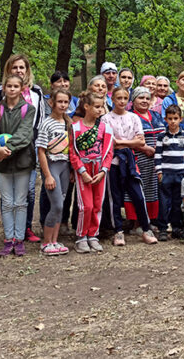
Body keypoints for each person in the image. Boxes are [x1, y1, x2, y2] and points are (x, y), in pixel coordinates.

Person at [0, 54, 47, 244]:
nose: (18, 71)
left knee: (29, 190)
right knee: (8, 192)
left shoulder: (36, 91)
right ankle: (10, 231)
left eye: (22, 67)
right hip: (6, 147)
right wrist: (1, 146)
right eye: (14, 67)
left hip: (30, 147)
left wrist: (38, 145)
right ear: (9, 70)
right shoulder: (0, 90)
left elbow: (40, 120)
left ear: (27, 70)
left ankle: (26, 228)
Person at [0, 74, 37, 257]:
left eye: (16, 86)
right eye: (9, 86)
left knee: (21, 202)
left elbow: (25, 134)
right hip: (2, 165)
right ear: (4, 88)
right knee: (7, 202)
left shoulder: (29, 109)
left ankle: (19, 239)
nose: (12, 89)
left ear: (22, 88)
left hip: (23, 162)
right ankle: (8, 239)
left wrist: (4, 150)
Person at [103, 88, 157, 246]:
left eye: (125, 98)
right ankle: (118, 231)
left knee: (138, 195)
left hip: (131, 162)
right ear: (112, 99)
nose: (121, 101)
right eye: (118, 98)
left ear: (128, 100)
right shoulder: (106, 118)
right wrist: (129, 142)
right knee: (115, 197)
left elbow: (141, 141)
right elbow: (109, 142)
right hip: (113, 162)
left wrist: (120, 142)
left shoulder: (133, 117)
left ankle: (146, 229)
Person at [69, 92, 114, 254]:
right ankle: (81, 236)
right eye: (97, 106)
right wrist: (81, 171)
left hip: (99, 170)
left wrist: (103, 170)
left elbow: (109, 151)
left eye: (102, 107)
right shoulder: (76, 127)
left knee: (97, 204)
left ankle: (93, 235)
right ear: (86, 107)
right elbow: (73, 152)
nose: (100, 110)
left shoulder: (105, 128)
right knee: (85, 206)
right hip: (84, 170)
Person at [36, 90, 74, 256]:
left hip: (65, 167)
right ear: (52, 103)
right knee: (56, 205)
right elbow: (41, 151)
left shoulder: (68, 123)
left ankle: (54, 240)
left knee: (61, 205)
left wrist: (71, 170)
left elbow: (71, 150)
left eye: (66, 102)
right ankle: (46, 242)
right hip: (52, 167)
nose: (63, 105)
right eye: (60, 102)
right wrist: (48, 175)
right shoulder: (46, 123)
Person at [155, 104, 184, 241]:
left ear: (180, 119)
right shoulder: (161, 136)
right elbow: (157, 155)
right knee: (164, 202)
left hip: (180, 174)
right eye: (170, 119)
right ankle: (163, 228)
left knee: (178, 202)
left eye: (175, 118)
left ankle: (177, 227)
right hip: (166, 174)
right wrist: (159, 171)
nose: (172, 121)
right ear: (165, 119)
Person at [129, 87, 162, 233]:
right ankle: (137, 223)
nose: (144, 101)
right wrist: (145, 148)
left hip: (156, 160)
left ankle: (150, 221)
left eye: (147, 98)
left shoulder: (156, 115)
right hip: (138, 158)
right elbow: (127, 137)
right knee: (138, 190)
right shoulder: (130, 116)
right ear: (133, 100)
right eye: (141, 98)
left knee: (152, 190)